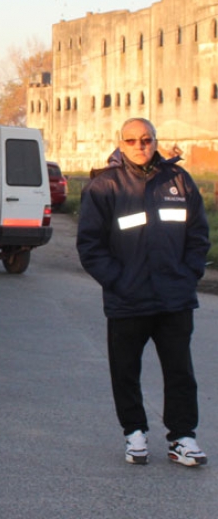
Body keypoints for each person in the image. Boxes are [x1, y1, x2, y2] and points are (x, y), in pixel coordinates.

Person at [76, 117, 210, 467]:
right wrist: (118, 281)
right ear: (120, 144)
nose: (140, 146)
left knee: (180, 371)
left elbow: (198, 236)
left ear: (155, 141)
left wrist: (188, 275)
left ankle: (183, 438)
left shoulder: (179, 181)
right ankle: (134, 432)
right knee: (125, 370)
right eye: (132, 140)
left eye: (146, 139)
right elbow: (90, 245)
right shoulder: (104, 187)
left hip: (174, 298)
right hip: (127, 299)